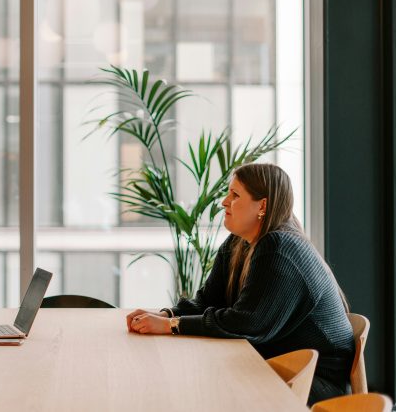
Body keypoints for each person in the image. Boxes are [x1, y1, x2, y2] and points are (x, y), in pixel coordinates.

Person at [125, 163, 355, 405]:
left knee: (200, 388)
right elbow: (207, 301)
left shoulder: (279, 247)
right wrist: (165, 315)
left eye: (235, 195)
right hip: (273, 366)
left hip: (312, 381)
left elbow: (247, 323)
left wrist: (172, 325)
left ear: (262, 206)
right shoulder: (239, 243)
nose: (224, 202)